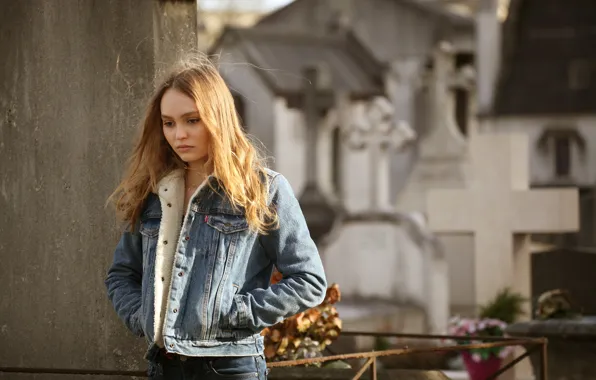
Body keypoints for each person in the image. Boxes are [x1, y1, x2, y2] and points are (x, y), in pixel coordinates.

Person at [104, 56, 327, 380]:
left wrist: (233, 313)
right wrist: (143, 318)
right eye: (169, 123)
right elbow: (121, 275)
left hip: (230, 366)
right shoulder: (154, 192)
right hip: (164, 367)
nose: (179, 134)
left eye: (191, 120)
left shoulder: (264, 190)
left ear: (217, 118)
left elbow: (309, 281)